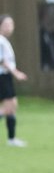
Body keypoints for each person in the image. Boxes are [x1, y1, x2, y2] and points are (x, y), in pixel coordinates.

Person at [0, 15, 29, 147]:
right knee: (8, 108)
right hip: (2, 77)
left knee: (12, 107)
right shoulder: (0, 40)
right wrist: (16, 73)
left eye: (11, 24)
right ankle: (11, 139)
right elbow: (3, 62)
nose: (9, 27)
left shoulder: (4, 41)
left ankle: (11, 139)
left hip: (6, 77)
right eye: (6, 24)